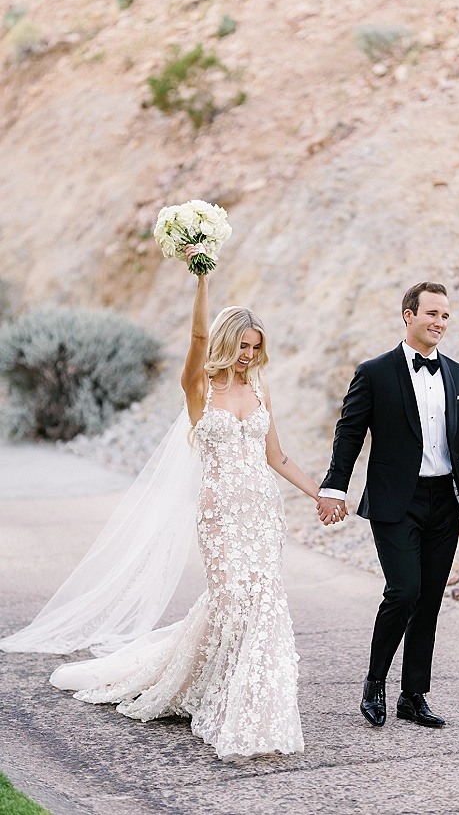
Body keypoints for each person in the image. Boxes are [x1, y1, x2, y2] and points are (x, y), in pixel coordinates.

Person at [1, 250, 320, 760]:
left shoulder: (259, 390)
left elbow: (276, 455)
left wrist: (319, 492)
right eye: (240, 344)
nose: (246, 354)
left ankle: (253, 705)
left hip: (262, 514)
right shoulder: (198, 389)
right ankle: (208, 688)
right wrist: (201, 282)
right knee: (234, 601)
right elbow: (196, 341)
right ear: (224, 341)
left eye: (254, 347)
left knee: (262, 606)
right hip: (220, 517)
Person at [316, 282, 459, 729]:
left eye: (445, 316)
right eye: (432, 314)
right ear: (408, 315)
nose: (439, 323)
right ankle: (374, 683)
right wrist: (335, 487)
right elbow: (350, 432)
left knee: (430, 599)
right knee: (404, 590)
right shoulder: (375, 372)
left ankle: (413, 695)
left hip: (444, 500)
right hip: (396, 501)